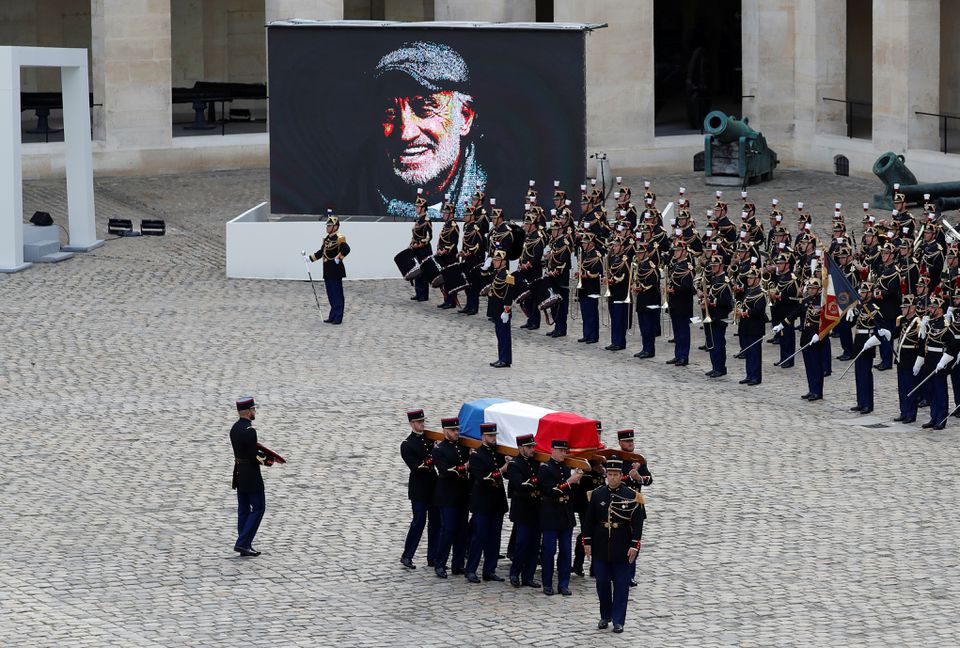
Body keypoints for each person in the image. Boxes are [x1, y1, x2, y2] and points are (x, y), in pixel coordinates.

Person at [341, 41, 487, 218]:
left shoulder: (507, 197)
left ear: (464, 118)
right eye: (390, 113)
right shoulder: (346, 203)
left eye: (425, 109)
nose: (406, 134)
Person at [583, 455, 645, 634]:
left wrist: (634, 545)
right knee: (602, 582)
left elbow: (637, 524)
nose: (612, 478)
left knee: (621, 584)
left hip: (622, 546)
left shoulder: (631, 496)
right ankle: (605, 615)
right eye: (609, 474)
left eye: (615, 474)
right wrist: (587, 542)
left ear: (620, 475)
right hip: (601, 545)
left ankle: (618, 620)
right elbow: (589, 521)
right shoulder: (597, 494)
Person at [464, 423, 509, 583]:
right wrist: (502, 470)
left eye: (495, 435)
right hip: (482, 503)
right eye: (490, 436)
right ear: (483, 437)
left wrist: (510, 463)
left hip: (497, 502)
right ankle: (470, 570)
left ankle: (489, 570)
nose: (494, 438)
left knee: (494, 539)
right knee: (479, 538)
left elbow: (507, 475)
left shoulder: (498, 453)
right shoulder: (476, 456)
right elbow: (483, 479)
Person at [539, 439, 583, 596]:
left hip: (565, 514)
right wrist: (570, 481)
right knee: (549, 550)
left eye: (565, 451)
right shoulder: (545, 468)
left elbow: (571, 492)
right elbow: (550, 491)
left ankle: (564, 584)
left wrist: (576, 481)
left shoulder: (566, 467)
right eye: (561, 451)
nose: (563, 454)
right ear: (553, 450)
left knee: (566, 551)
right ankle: (547, 583)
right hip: (551, 514)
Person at [400, 408, 439, 569]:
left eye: (423, 421)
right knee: (419, 522)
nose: (422, 424)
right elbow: (417, 468)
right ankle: (407, 555)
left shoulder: (430, 438)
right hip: (419, 489)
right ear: (411, 424)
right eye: (418, 422)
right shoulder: (407, 445)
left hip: (433, 486)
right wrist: (434, 454)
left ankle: (433, 557)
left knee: (436, 522)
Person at [432, 417, 471, 578]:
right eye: (453, 430)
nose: (456, 433)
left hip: (462, 495)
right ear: (445, 431)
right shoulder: (439, 450)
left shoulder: (463, 447)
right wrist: (465, 466)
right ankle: (440, 564)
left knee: (462, 531)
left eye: (457, 430)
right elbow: (445, 471)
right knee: (448, 531)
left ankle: (458, 564)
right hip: (447, 496)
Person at [230, 397, 266, 557]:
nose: (255, 411)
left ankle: (244, 543)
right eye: (253, 409)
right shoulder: (250, 431)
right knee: (258, 507)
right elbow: (253, 456)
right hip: (251, 474)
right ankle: (243, 543)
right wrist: (267, 458)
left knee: (244, 509)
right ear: (248, 411)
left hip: (239, 472)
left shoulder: (235, 428)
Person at [507, 434, 541, 588]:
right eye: (529, 447)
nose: (533, 449)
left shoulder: (536, 462)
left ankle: (528, 576)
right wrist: (537, 481)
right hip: (522, 510)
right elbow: (521, 485)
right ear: (521, 448)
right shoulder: (515, 464)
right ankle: (515, 573)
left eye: (533, 446)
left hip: (536, 510)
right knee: (521, 544)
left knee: (534, 545)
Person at [307, 213, 350, 324]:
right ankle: (332, 315)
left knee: (337, 294)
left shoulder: (339, 238)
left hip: (336, 270)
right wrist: (310, 258)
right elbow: (322, 252)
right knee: (331, 294)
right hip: (327, 270)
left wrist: (339, 258)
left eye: (329, 225)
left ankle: (338, 317)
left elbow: (346, 249)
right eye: (327, 225)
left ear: (335, 227)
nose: (327, 227)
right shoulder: (327, 239)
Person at [736, 267, 768, 385]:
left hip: (755, 327)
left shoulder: (761, 293)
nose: (748, 280)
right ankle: (749, 375)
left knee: (755, 353)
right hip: (745, 326)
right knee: (748, 352)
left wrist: (745, 313)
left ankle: (756, 377)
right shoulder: (748, 290)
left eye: (751, 278)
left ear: (757, 280)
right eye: (748, 278)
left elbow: (759, 310)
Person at [487, 249, 515, 368]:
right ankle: (502, 358)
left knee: (504, 335)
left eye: (497, 260)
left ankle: (505, 359)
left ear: (503, 262)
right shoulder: (497, 273)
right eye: (494, 260)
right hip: (495, 308)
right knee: (499, 334)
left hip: (502, 310)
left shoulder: (508, 276)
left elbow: (508, 296)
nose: (494, 262)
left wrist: (506, 311)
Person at [577, 233, 603, 344]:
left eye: (585, 243)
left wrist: (585, 275)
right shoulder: (585, 254)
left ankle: (593, 336)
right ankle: (586, 334)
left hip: (592, 288)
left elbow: (598, 272)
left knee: (591, 313)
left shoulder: (596, 255)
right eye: (583, 243)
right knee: (585, 313)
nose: (583, 245)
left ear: (591, 243)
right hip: (584, 288)